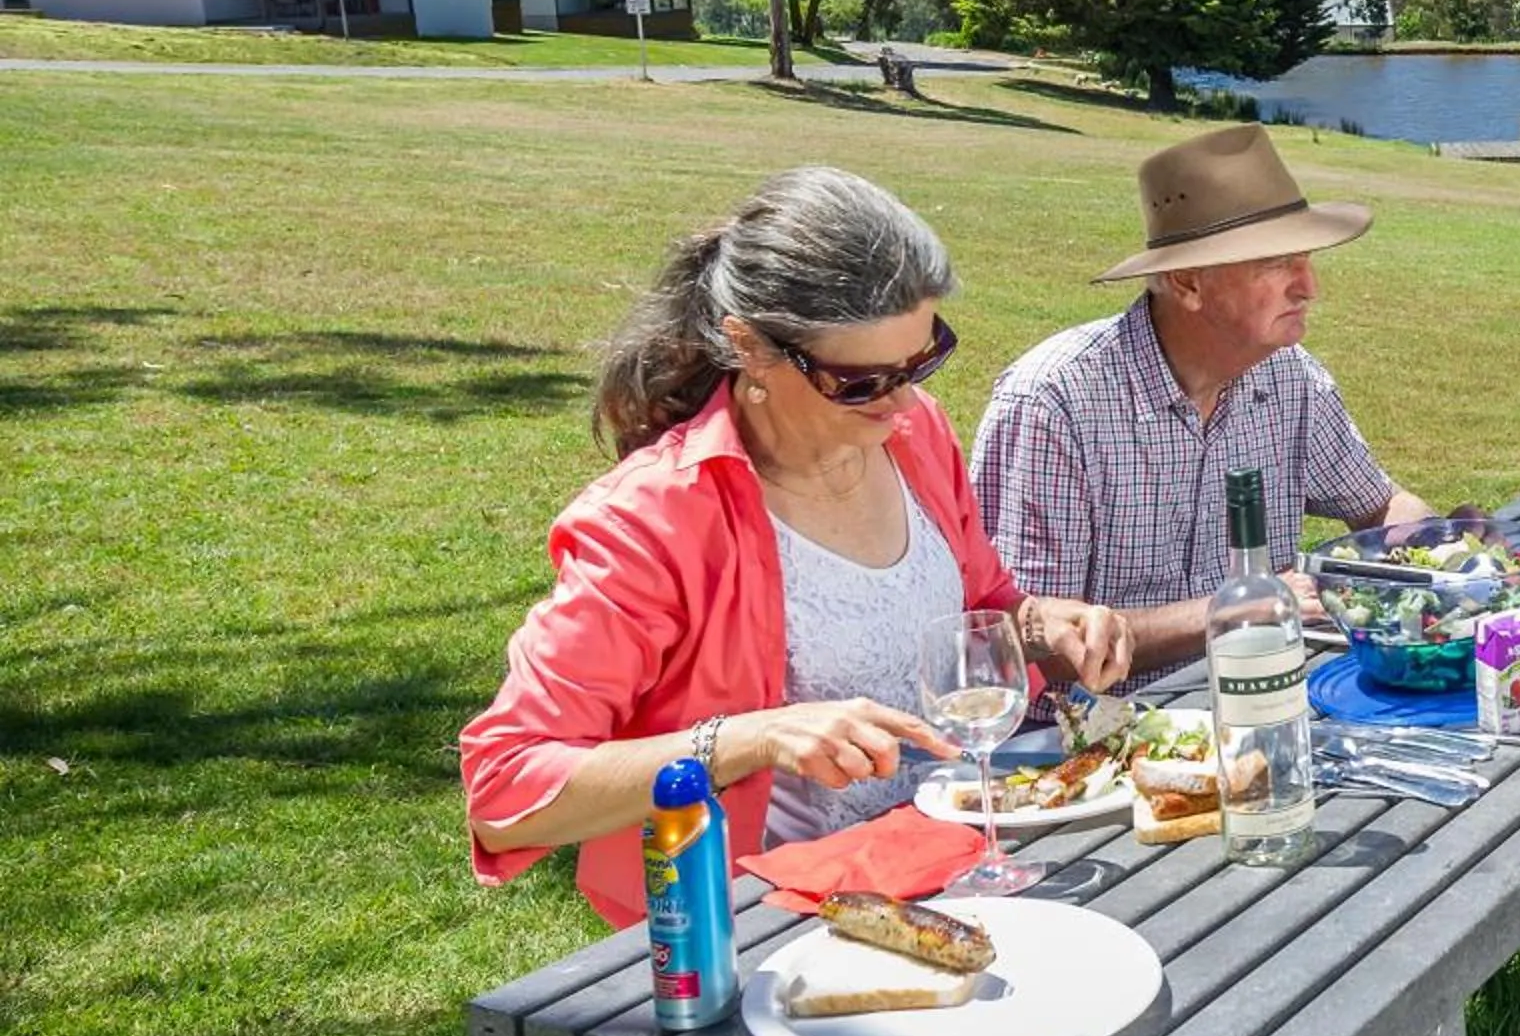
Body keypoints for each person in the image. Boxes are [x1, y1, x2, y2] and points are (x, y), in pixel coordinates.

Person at [462, 168, 1134, 926]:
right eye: (861, 382)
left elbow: (980, 613)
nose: (902, 400)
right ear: (752, 348)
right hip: (771, 924)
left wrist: (1047, 627)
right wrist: (751, 738)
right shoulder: (654, 519)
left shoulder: (915, 438)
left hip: (944, 870)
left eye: (925, 358)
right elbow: (505, 792)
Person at [972, 124, 1429, 680]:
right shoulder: (1056, 401)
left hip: (1266, 694)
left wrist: (1442, 551)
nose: (1310, 287)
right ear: (1187, 282)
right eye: (1277, 263)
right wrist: (1234, 612)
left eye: (1306, 260)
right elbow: (1038, 641)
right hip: (1090, 742)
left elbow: (1380, 504)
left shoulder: (1290, 379)